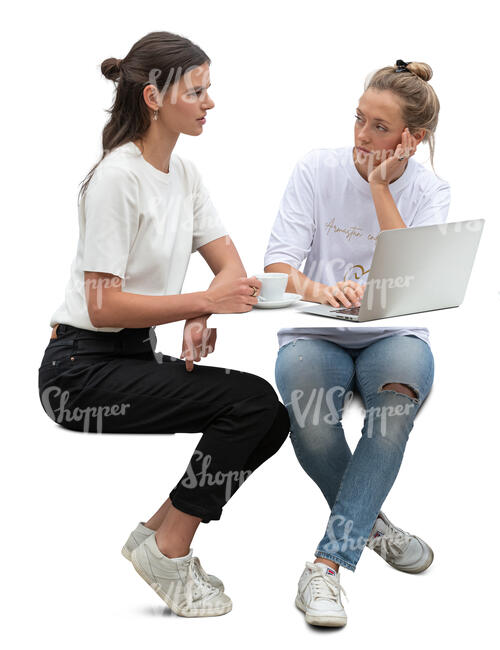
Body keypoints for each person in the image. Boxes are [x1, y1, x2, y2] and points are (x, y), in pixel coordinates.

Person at [37, 31, 289, 619]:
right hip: (79, 375)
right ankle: (170, 549)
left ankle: (155, 537)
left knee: (270, 418)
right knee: (249, 404)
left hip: (127, 358)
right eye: (197, 91)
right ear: (154, 96)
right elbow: (103, 307)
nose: (210, 102)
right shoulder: (118, 178)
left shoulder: (185, 174)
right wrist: (200, 299)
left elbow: (228, 266)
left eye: (209, 90)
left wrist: (200, 311)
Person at [266, 59, 449, 627]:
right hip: (313, 329)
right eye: (359, 119)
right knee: (312, 418)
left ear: (410, 139)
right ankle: (371, 523)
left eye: (379, 127)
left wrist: (377, 186)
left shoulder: (430, 190)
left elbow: (415, 278)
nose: (362, 136)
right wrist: (325, 291)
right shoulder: (315, 170)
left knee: (391, 416)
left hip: (394, 335)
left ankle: (326, 566)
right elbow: (276, 268)